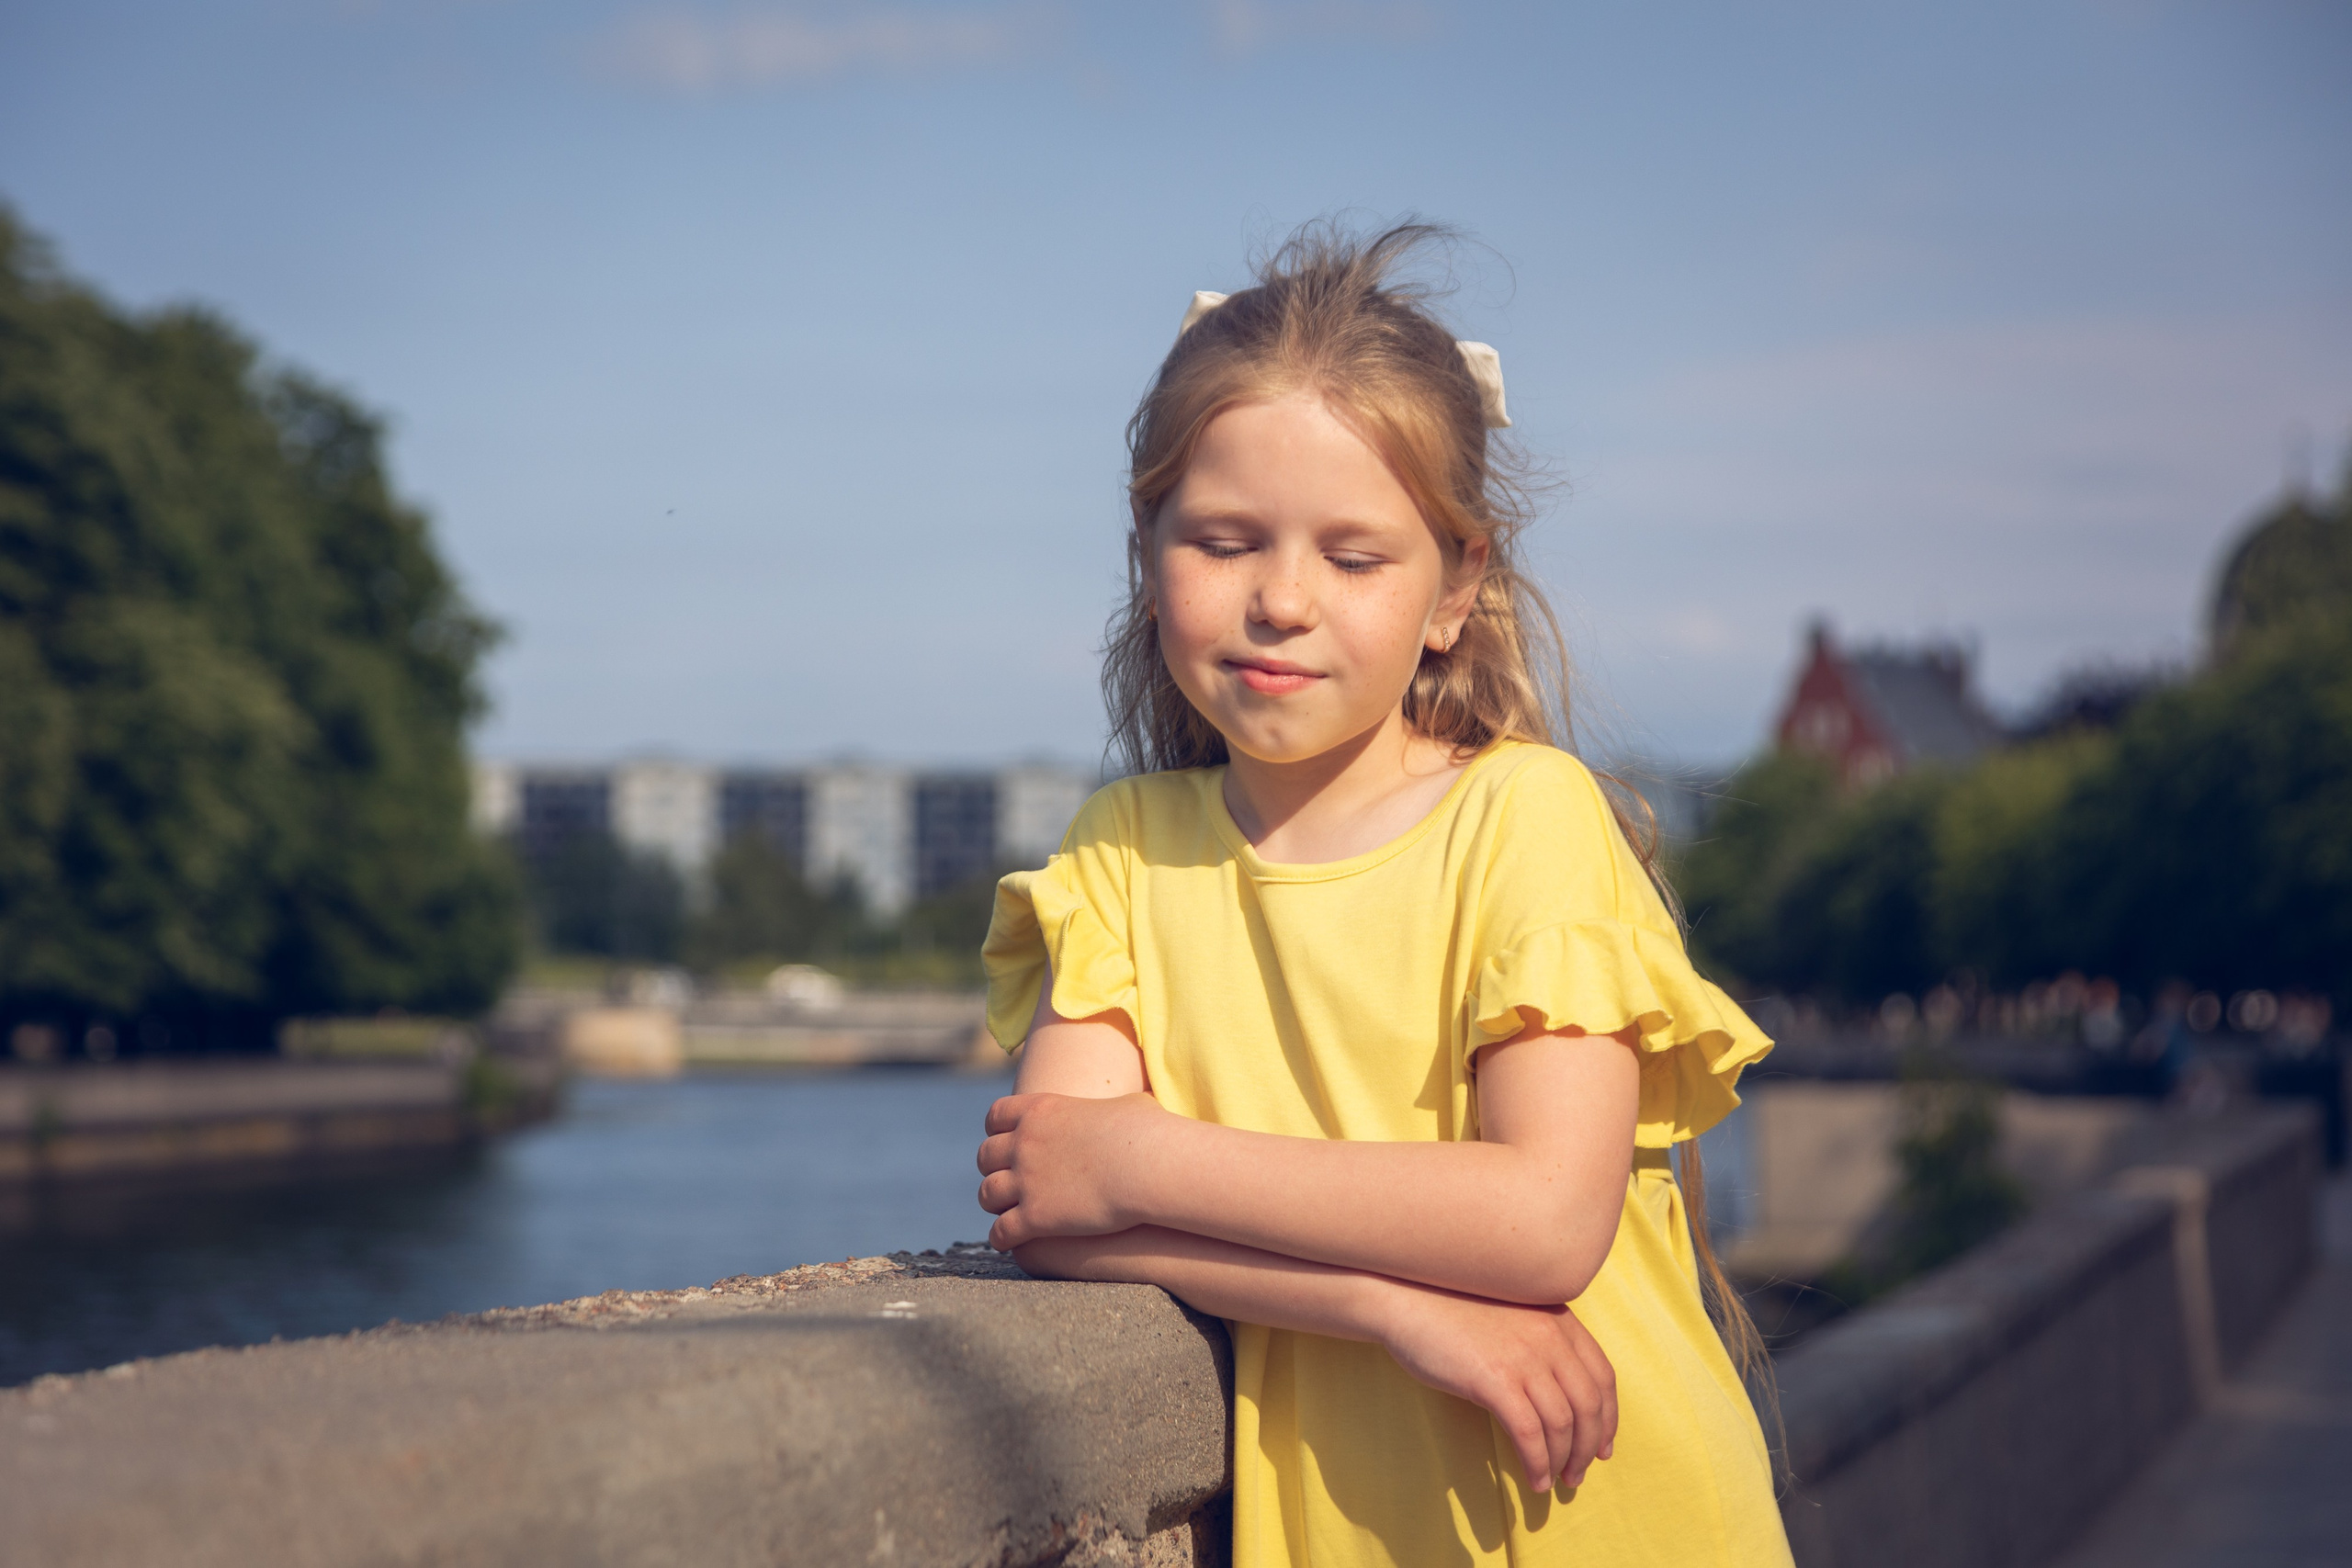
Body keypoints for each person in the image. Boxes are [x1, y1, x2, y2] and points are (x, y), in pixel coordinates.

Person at [975, 222, 1792, 1567]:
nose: (1282, 600)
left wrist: (1142, 1157)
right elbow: (1053, 1214)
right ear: (1147, 552)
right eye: (1224, 542)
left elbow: (1542, 1224)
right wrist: (1394, 1307)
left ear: (1455, 587)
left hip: (1611, 1524)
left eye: (1354, 559)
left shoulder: (1526, 818)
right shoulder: (1119, 852)